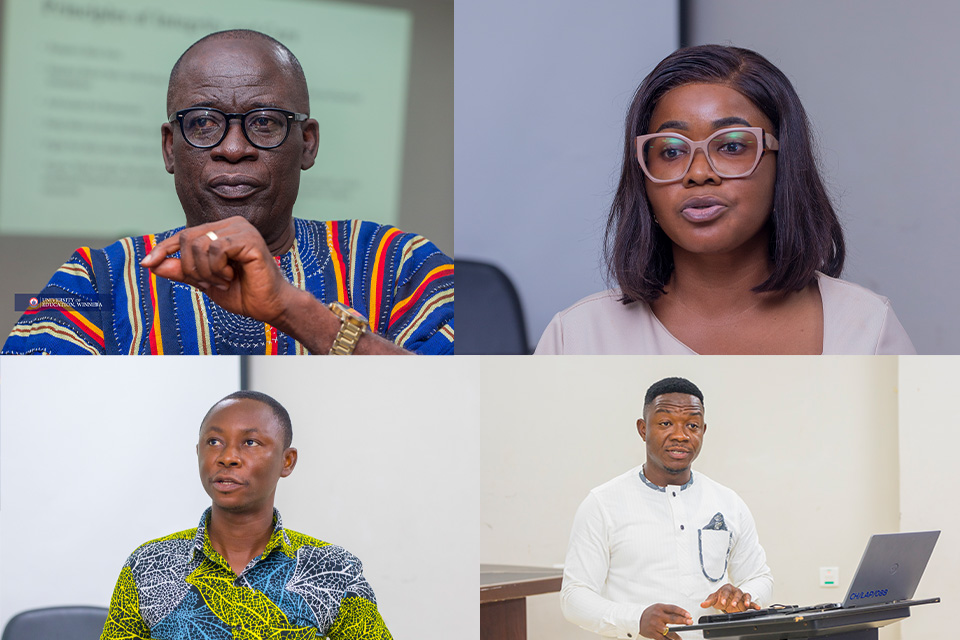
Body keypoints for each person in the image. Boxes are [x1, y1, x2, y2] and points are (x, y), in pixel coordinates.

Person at [4, 30, 453, 355]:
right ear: (169, 149)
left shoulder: (398, 263)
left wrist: (295, 311)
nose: (233, 148)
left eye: (264, 122)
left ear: (308, 143)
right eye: (202, 123)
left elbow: (460, 409)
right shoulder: (93, 280)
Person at [535, 45, 912, 355]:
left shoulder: (866, 329)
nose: (698, 172)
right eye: (670, 151)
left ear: (785, 163)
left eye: (731, 145)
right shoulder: (578, 339)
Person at [100, 390, 391, 639]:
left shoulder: (333, 568)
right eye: (214, 442)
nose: (227, 457)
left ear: (286, 461)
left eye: (250, 443)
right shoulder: (148, 564)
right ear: (198, 452)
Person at [561, 377, 772, 640]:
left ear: (703, 431)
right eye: (665, 423)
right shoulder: (602, 504)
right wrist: (635, 619)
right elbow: (574, 597)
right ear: (643, 429)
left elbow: (760, 578)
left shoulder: (728, 502)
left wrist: (744, 596)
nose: (681, 435)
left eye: (692, 425)